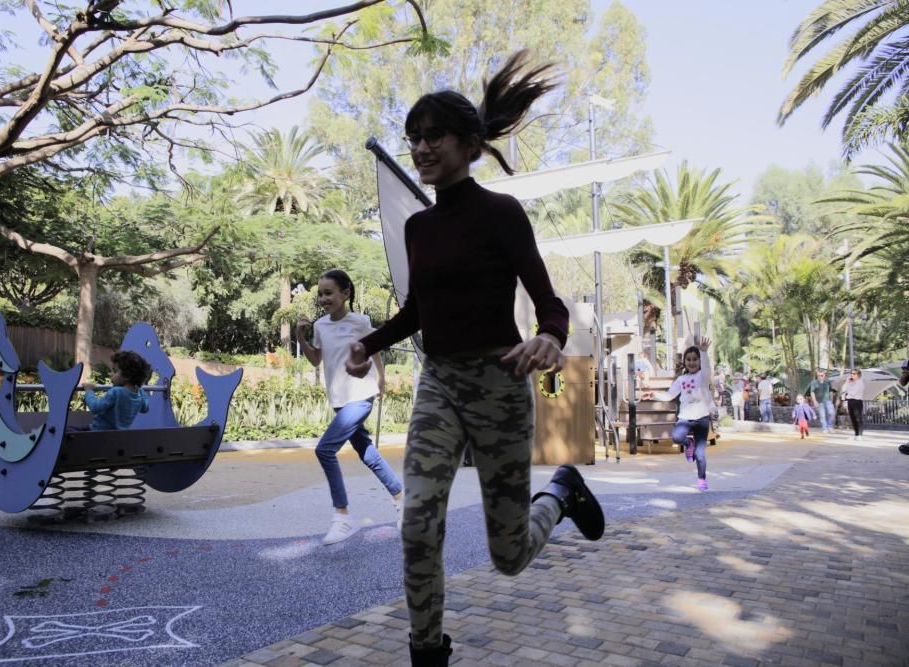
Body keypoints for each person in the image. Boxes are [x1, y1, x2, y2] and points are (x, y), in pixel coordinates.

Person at [344, 51, 605, 666]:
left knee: (508, 556)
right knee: (417, 524)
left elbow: (551, 304)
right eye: (414, 139)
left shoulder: (502, 214)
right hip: (439, 384)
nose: (422, 148)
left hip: (499, 382)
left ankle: (562, 493)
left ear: (468, 144)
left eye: (433, 136)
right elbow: (418, 311)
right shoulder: (420, 229)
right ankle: (427, 650)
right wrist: (369, 343)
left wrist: (549, 338)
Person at [295, 269, 405, 546]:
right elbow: (315, 360)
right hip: (339, 400)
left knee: (324, 449)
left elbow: (375, 348)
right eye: (320, 294)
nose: (323, 298)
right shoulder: (320, 326)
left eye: (329, 292)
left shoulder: (360, 322)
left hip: (361, 395)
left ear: (346, 294)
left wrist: (381, 378)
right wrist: (301, 338)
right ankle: (402, 498)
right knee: (367, 453)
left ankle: (342, 516)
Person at [642, 337, 714, 491]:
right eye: (688, 359)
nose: (692, 362)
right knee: (677, 437)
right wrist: (653, 394)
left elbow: (707, 367)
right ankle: (689, 444)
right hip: (685, 418)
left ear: (699, 361)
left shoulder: (703, 376)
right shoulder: (681, 379)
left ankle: (702, 479)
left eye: (695, 359)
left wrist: (704, 352)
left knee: (700, 454)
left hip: (702, 419)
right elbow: (669, 396)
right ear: (685, 362)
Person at [82, 350, 151, 431]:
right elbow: (145, 409)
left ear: (127, 376)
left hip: (97, 432)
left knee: (68, 432)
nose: (110, 374)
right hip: (117, 437)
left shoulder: (116, 392)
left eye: (115, 371)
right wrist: (142, 391)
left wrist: (89, 391)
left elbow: (95, 407)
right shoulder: (140, 395)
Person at [841, 368, 866, 441]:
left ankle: (860, 434)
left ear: (858, 375)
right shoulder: (849, 381)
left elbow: (854, 392)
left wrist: (847, 392)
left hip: (857, 401)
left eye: (854, 374)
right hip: (850, 401)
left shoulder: (860, 382)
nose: (852, 375)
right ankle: (856, 434)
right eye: (851, 373)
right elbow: (843, 389)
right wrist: (847, 382)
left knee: (858, 418)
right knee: (852, 418)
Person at [808, 369, 835, 434]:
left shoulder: (828, 382)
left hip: (828, 401)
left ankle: (830, 426)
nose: (820, 376)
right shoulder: (814, 382)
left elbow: (831, 391)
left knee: (831, 413)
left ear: (824, 375)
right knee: (822, 415)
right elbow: (812, 392)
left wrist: (831, 400)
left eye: (821, 375)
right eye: (818, 375)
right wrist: (814, 401)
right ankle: (825, 428)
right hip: (819, 402)